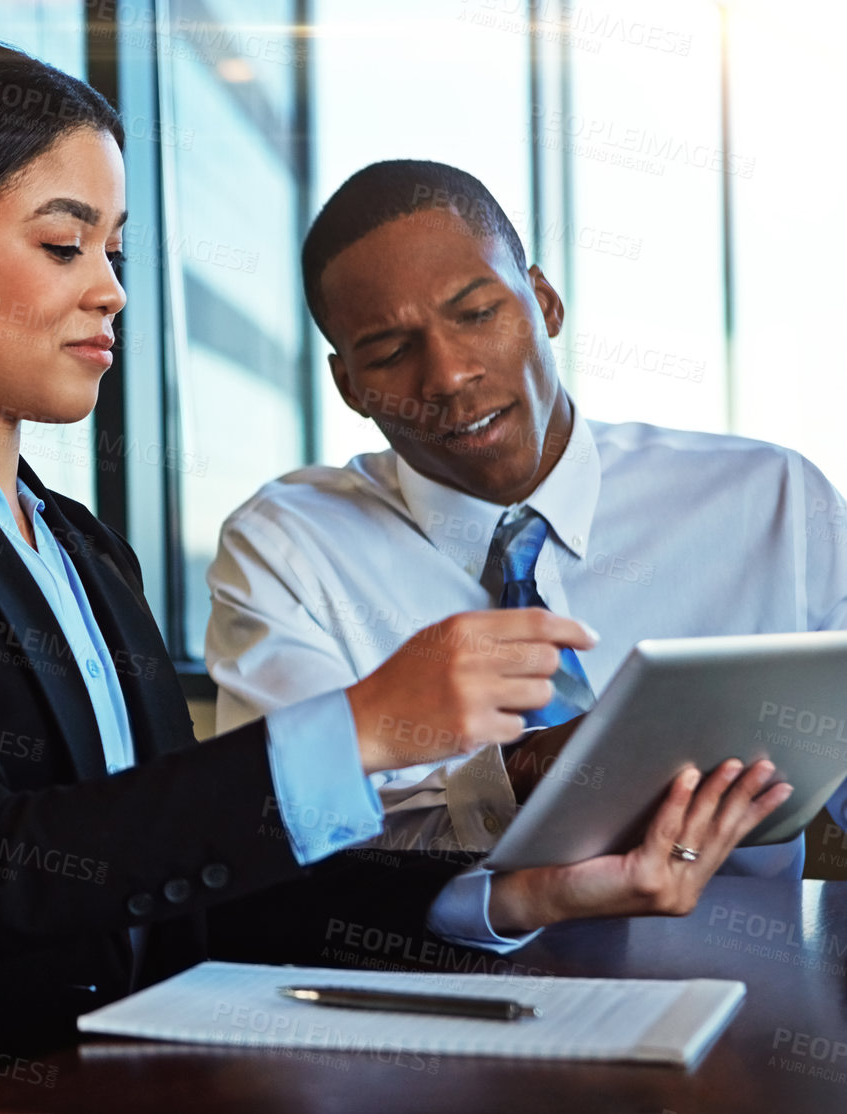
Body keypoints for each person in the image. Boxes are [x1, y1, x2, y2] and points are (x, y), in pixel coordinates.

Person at [0, 45, 788, 1113]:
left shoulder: (79, 545)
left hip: (95, 1069)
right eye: (63, 245)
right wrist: (362, 727)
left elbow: (187, 887)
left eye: (115, 251)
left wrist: (518, 895)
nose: (111, 292)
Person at [205, 159, 846, 952]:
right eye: (387, 351)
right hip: (420, 992)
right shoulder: (288, 546)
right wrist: (511, 776)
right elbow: (287, 844)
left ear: (542, 302)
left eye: (476, 314)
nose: (447, 375)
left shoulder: (771, 499)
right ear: (347, 385)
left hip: (737, 980)